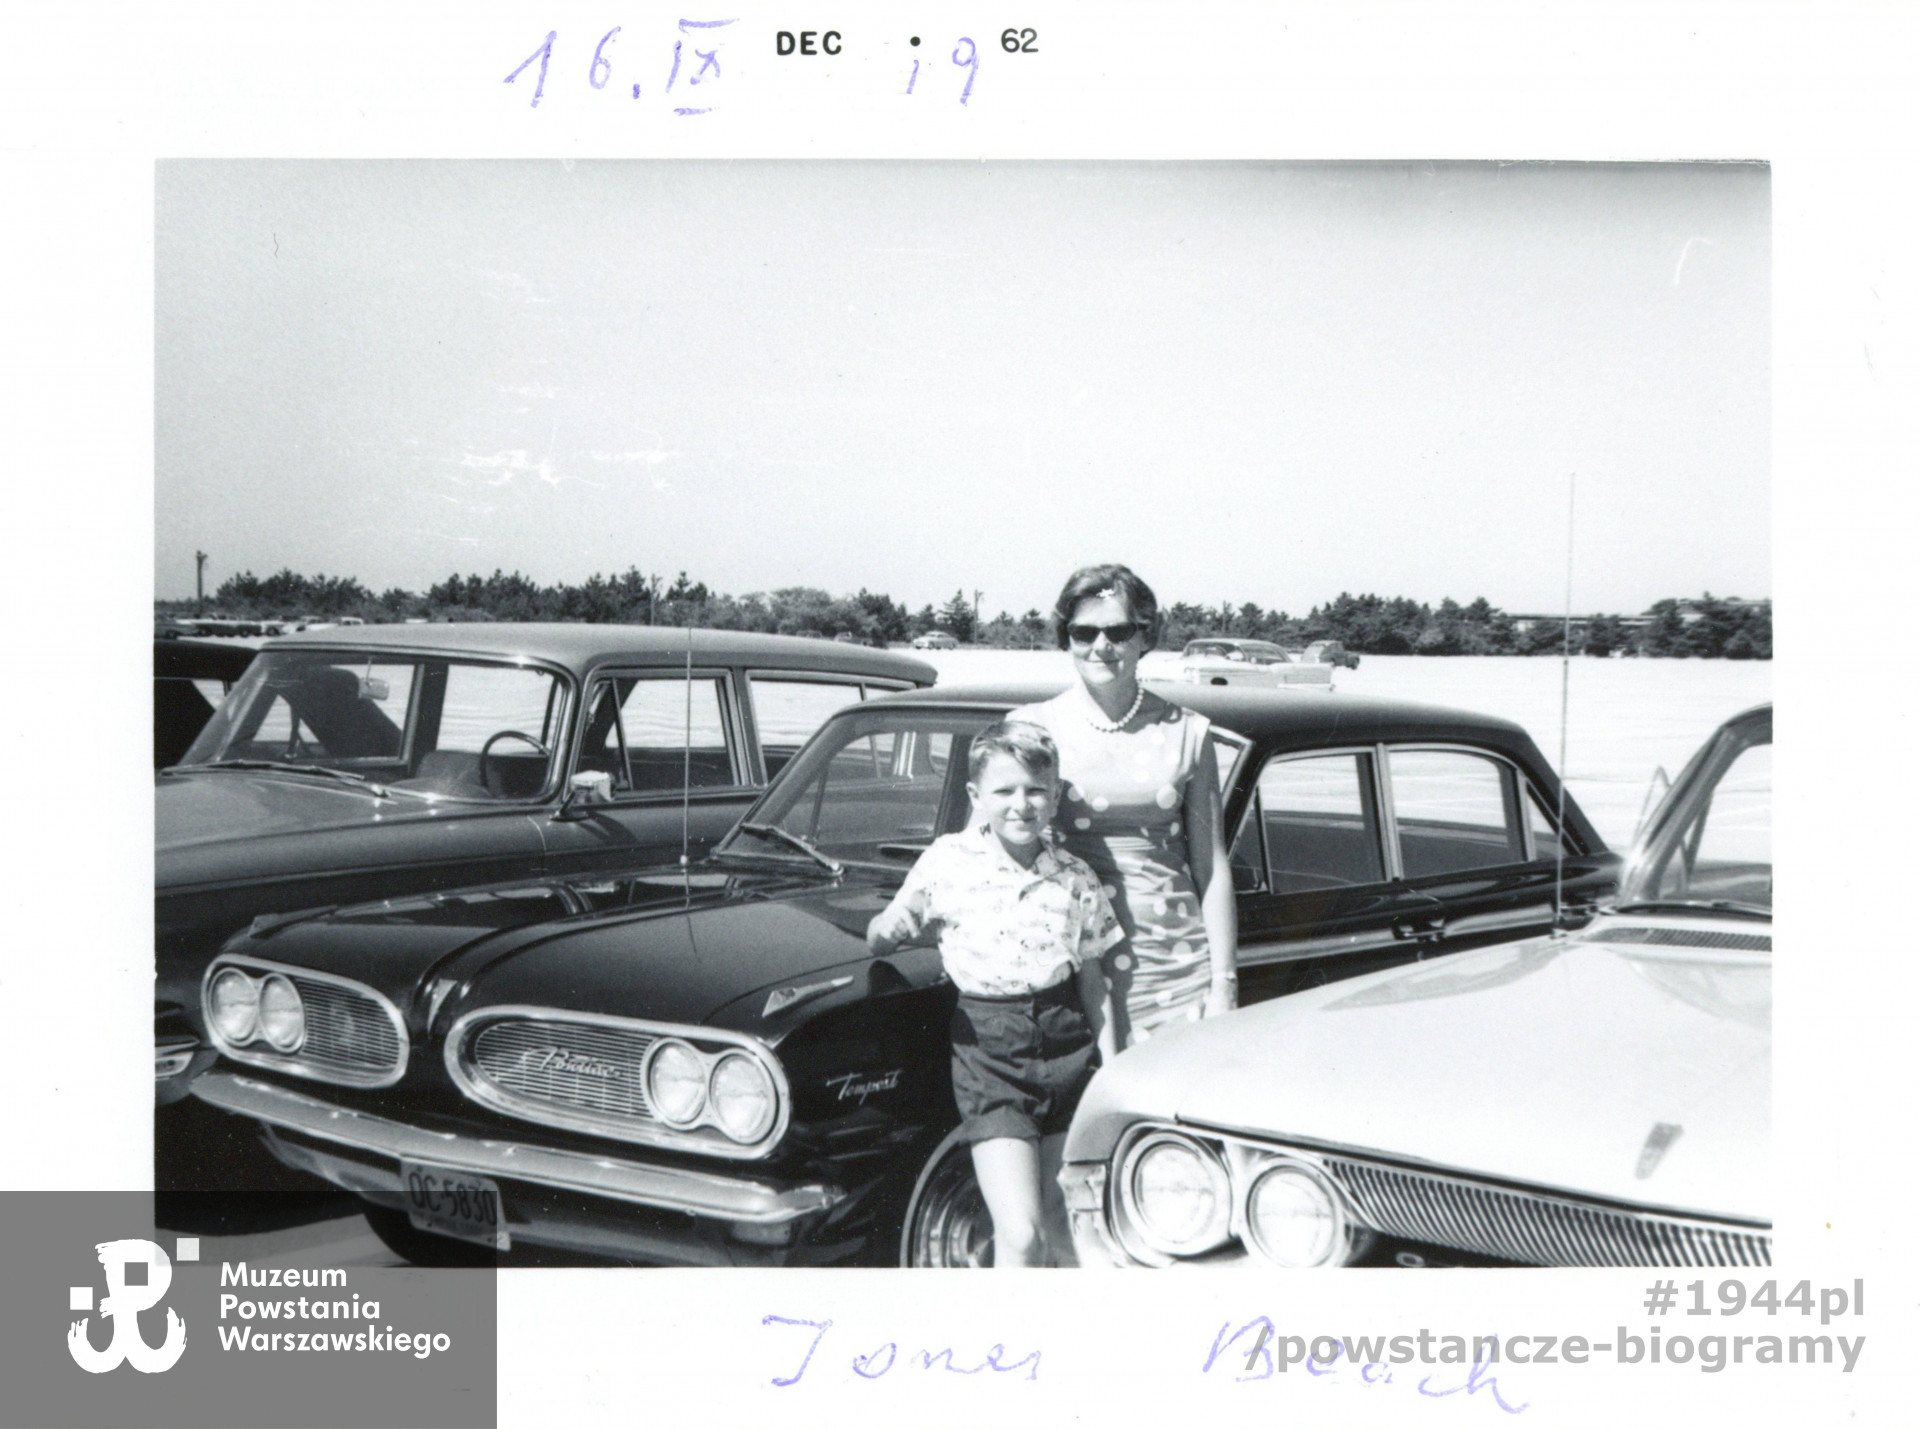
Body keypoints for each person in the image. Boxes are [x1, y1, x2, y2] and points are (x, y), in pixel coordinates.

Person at [867, 721, 1119, 1267]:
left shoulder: (1076, 877)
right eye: (1004, 791)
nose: (1021, 805)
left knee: (1061, 1219)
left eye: (1035, 790)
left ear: (1054, 797)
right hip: (989, 1051)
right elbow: (883, 933)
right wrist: (888, 928)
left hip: (1068, 1045)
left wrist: (1112, 1064)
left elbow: (1094, 979)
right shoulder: (947, 861)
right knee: (1021, 1231)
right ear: (976, 797)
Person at [1009, 563, 1238, 1047]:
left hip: (1173, 967)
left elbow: (1210, 866)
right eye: (1083, 632)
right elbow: (986, 852)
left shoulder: (1188, 733)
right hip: (1065, 966)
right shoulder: (1031, 728)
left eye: (1118, 631)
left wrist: (1224, 985)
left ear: (1145, 636)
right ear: (1065, 638)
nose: (1101, 645)